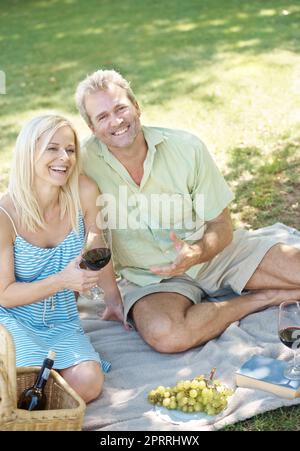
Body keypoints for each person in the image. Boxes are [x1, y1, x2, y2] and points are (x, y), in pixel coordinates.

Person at [75, 69, 300, 354]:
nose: (116, 121)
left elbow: (221, 224)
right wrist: (111, 297)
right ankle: (263, 298)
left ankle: (248, 292)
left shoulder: (186, 148)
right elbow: (87, 236)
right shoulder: (81, 166)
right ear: (92, 127)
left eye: (121, 108)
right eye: (102, 116)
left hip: (216, 254)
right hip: (149, 278)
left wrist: (197, 253)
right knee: (167, 336)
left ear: (137, 107)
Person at [0, 114, 126, 403]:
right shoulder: (4, 215)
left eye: (70, 150)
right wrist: (61, 281)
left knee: (89, 384)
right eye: (52, 148)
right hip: (11, 318)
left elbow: (97, 249)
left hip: (61, 320)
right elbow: (4, 295)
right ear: (28, 153)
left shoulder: (83, 191)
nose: (64, 158)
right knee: (27, 383)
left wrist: (113, 300)